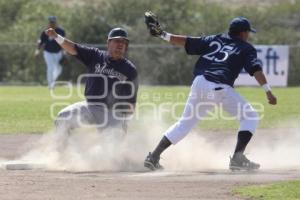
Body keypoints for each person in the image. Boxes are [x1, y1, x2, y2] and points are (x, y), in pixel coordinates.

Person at [144, 12, 277, 171]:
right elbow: (256, 69)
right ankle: (237, 158)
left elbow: (186, 41)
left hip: (199, 84)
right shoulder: (246, 48)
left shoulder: (216, 38)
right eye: (248, 32)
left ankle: (154, 156)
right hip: (218, 87)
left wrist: (162, 34)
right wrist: (268, 91)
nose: (248, 35)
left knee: (184, 124)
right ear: (243, 33)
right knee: (251, 116)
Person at [45, 27, 138, 148]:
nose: (120, 44)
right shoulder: (95, 56)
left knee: (112, 154)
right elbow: (73, 48)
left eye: (123, 42)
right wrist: (56, 36)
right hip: (90, 107)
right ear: (108, 42)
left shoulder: (130, 69)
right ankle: (63, 154)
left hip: (112, 113)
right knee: (63, 118)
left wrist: (122, 124)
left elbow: (131, 103)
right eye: (117, 41)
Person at [35, 16, 66, 90]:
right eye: (51, 22)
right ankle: (50, 85)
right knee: (50, 68)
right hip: (48, 53)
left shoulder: (61, 31)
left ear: (56, 22)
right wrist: (37, 50)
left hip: (58, 52)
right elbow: (41, 42)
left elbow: (64, 42)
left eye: (53, 22)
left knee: (59, 69)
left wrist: (64, 51)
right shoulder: (45, 32)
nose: (52, 24)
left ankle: (52, 82)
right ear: (48, 23)